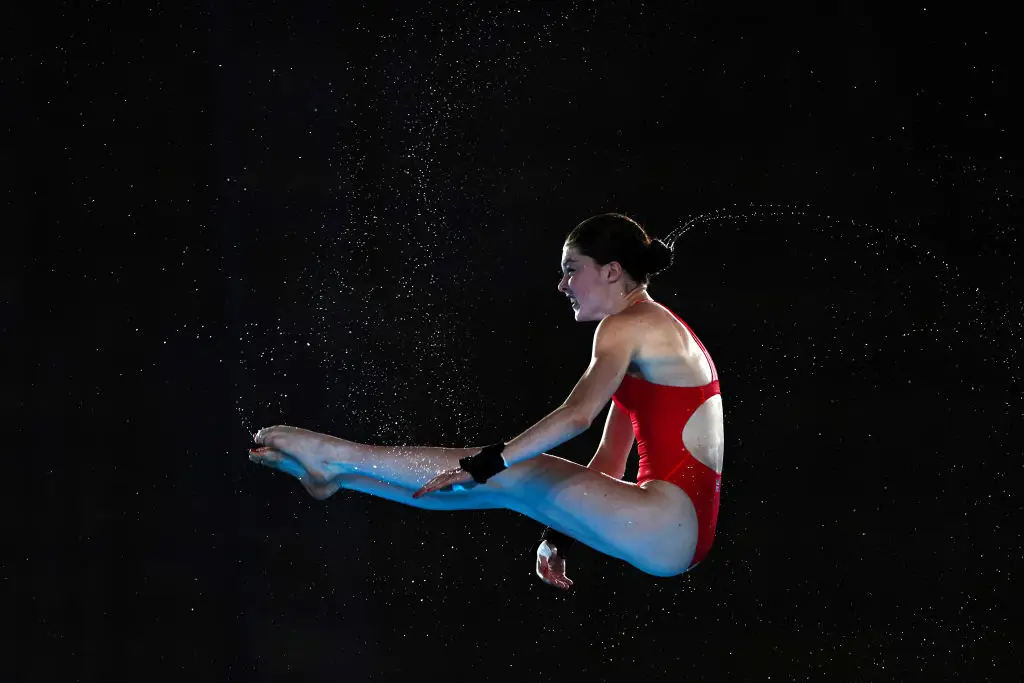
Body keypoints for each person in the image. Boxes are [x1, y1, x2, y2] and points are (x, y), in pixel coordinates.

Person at [249, 213, 724, 590]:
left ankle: (336, 455)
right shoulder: (651, 334)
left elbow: (577, 415)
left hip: (667, 522)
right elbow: (609, 459)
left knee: (511, 472)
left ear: (611, 272)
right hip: (673, 533)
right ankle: (341, 476)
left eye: (570, 271)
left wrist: (486, 462)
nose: (562, 286)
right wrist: (558, 533)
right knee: (505, 487)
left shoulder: (628, 325)